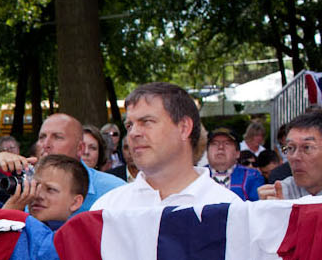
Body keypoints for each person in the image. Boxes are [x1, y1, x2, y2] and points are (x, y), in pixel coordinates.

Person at [93, 82, 242, 210]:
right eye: (129, 125)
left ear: (184, 128)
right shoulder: (107, 209)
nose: (133, 133)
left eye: (146, 122)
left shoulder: (229, 210)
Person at [0, 152, 87, 228]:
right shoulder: (20, 218)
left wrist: (7, 220)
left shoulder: (71, 240)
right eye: (35, 185)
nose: (38, 195)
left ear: (75, 202)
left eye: (51, 189)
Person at [29, 113, 123, 210]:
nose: (46, 144)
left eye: (58, 137)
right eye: (42, 137)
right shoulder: (27, 185)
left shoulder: (114, 190)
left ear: (80, 148)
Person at [203, 128, 265, 200]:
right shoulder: (197, 176)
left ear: (237, 153)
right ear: (207, 153)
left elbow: (256, 207)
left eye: (227, 143)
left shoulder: (252, 176)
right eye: (215, 144)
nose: (220, 147)